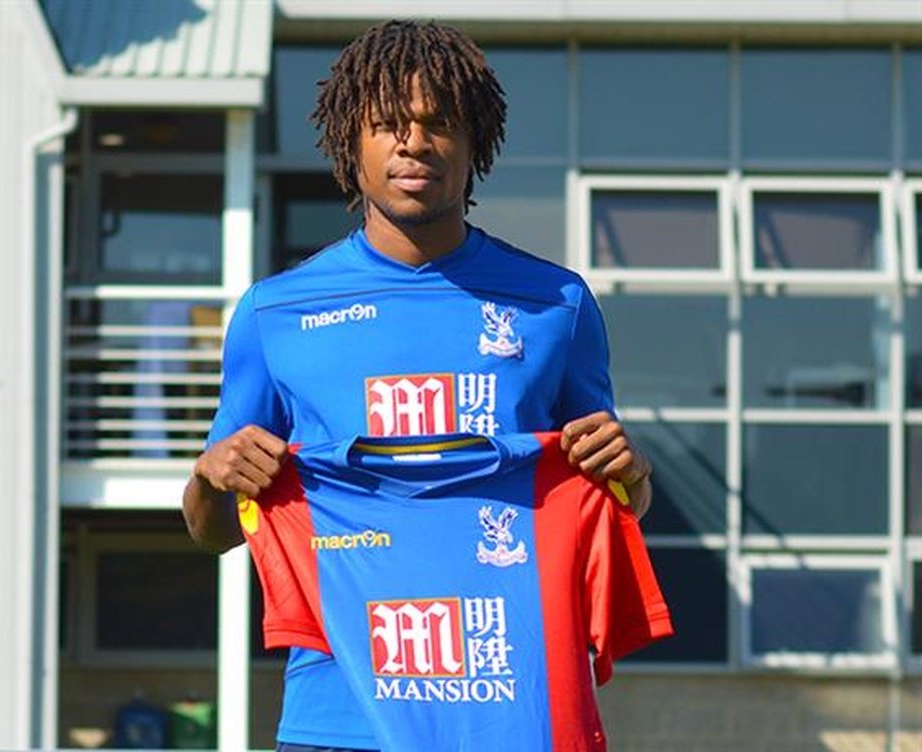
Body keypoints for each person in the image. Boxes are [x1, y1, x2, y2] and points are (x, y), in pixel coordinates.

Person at [182, 19, 653, 752]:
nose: (414, 142)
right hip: (337, 719)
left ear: (475, 145)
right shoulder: (274, 313)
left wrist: (631, 470)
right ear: (352, 143)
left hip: (511, 709)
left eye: (440, 124)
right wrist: (213, 479)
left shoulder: (555, 304)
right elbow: (212, 533)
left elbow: (609, 500)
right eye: (388, 124)